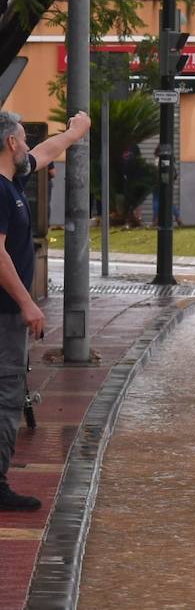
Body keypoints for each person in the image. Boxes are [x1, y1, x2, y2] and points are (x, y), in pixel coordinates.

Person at [0, 110, 91, 511]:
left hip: (7, 313)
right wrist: (27, 304)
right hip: (5, 314)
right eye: (22, 139)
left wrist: (74, 133)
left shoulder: (13, 180)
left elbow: (46, 151)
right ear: (10, 144)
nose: (26, 145)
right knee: (7, 394)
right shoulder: (1, 191)